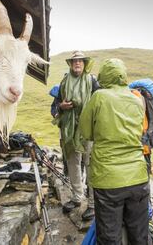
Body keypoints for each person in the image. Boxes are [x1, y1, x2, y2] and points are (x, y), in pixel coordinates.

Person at [79, 58, 150, 244]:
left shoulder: (99, 96)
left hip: (108, 178)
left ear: (104, 75)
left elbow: (86, 132)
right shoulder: (136, 99)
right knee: (140, 235)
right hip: (138, 177)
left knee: (110, 236)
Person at [56, 51, 99, 220]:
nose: (77, 63)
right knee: (73, 163)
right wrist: (61, 106)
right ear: (70, 64)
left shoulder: (92, 81)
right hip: (69, 129)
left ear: (85, 63)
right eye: (74, 61)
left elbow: (99, 102)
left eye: (80, 61)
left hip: (88, 130)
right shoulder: (64, 82)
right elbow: (56, 105)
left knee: (90, 166)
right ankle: (76, 198)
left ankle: (93, 204)